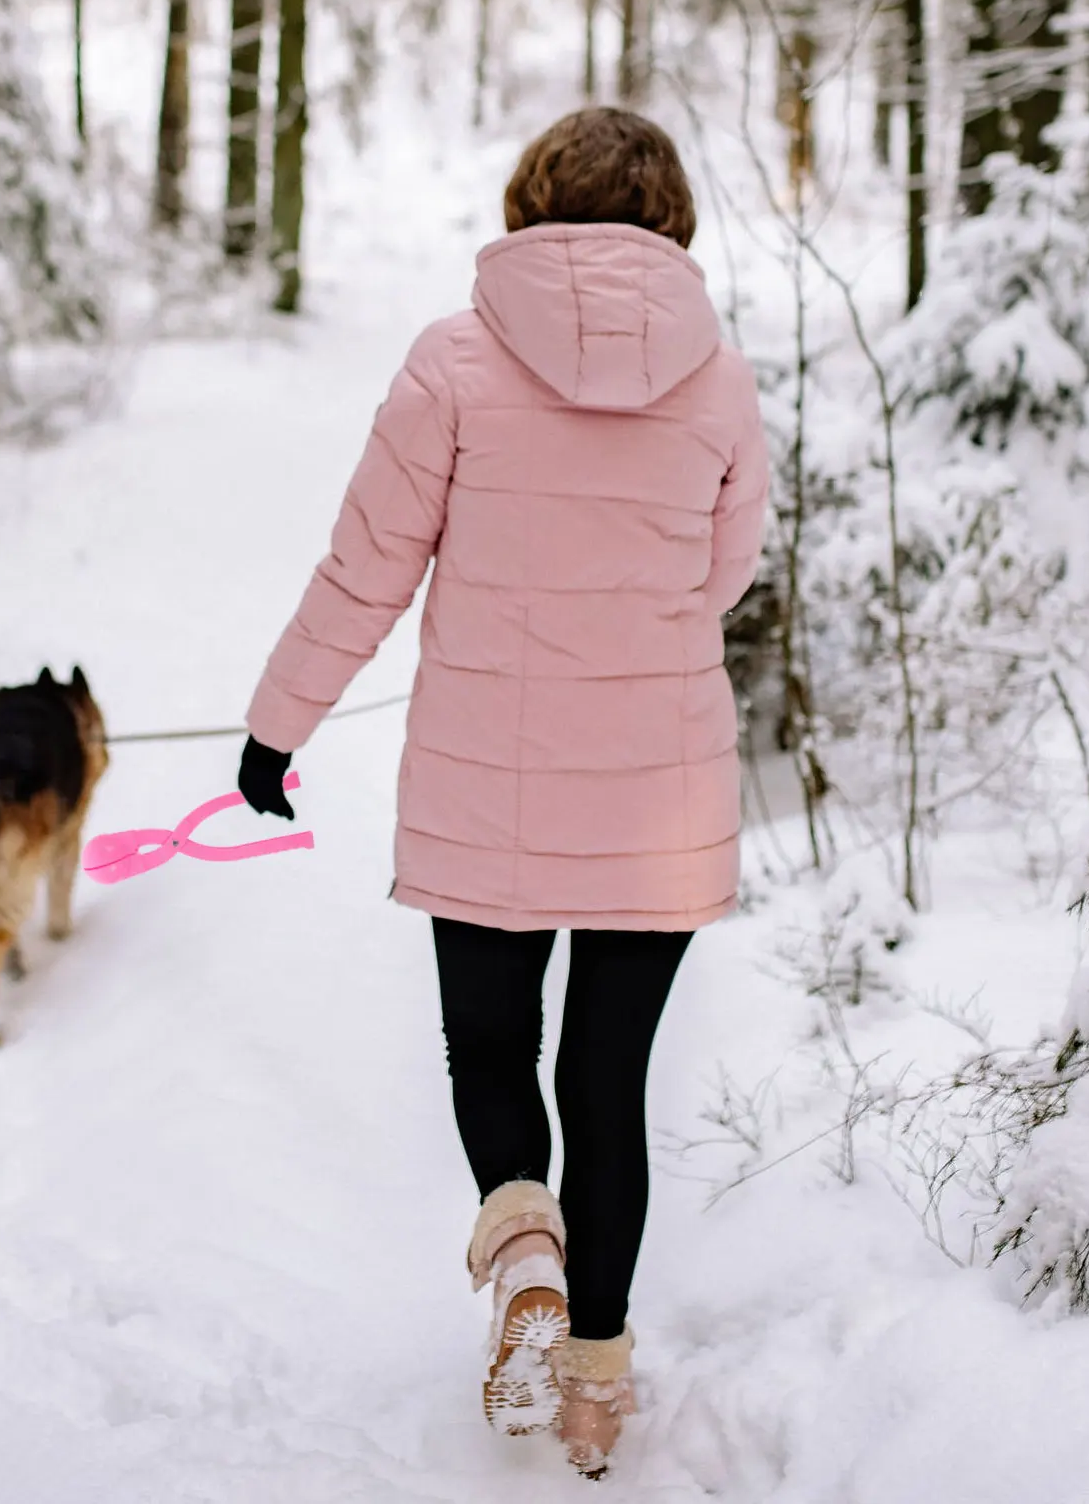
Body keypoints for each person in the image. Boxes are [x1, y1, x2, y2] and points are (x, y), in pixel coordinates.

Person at [237, 106, 770, 1477]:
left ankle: (523, 1249)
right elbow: (723, 574)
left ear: (531, 201)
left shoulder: (454, 361)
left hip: (490, 780)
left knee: (492, 1050)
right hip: (659, 789)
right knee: (609, 1081)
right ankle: (594, 1396)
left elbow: (368, 568)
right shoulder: (719, 377)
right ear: (671, 223)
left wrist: (274, 729)